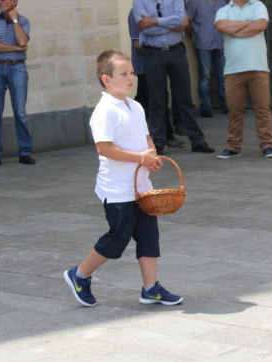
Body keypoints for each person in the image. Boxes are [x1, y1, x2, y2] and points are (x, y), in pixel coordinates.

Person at [64, 50, 183, 307]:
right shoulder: (105, 111)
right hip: (117, 190)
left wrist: (152, 156)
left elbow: (145, 137)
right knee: (117, 238)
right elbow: (104, 148)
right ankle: (80, 275)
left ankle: (150, 288)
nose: (131, 78)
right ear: (106, 79)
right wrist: (141, 158)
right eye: (124, 74)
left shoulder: (135, 105)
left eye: (131, 73)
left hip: (141, 188)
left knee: (149, 237)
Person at [132, 0, 215, 156]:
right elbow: (146, 29)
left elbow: (181, 22)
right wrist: (171, 26)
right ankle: (158, 142)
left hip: (176, 52)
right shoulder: (139, 1)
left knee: (184, 98)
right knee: (157, 100)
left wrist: (154, 21)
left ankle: (197, 141)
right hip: (153, 53)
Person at [214, 0, 272, 159]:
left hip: (258, 67)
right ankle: (233, 146)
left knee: (262, 108)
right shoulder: (224, 10)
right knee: (234, 110)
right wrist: (249, 23)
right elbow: (221, 26)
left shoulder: (258, 5)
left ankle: (267, 144)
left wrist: (235, 29)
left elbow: (260, 25)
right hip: (233, 69)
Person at [0, 0, 35, 168]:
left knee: (20, 112)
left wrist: (15, 21)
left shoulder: (24, 21)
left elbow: (22, 41)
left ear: (14, 1)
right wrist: (16, 49)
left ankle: (25, 152)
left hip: (17, 69)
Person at [128, 8, 185, 149]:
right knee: (155, 101)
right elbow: (137, 43)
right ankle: (165, 136)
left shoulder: (160, 10)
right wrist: (161, 42)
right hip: (145, 65)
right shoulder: (136, 13)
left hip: (156, 64)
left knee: (148, 101)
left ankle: (163, 135)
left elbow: (182, 24)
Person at [186, 0, 228, 118]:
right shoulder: (194, 2)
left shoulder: (222, 2)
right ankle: (205, 107)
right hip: (203, 44)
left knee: (223, 75)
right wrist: (195, 36)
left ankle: (226, 105)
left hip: (220, 42)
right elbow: (186, 22)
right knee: (205, 76)